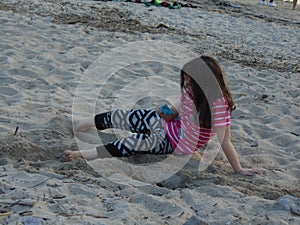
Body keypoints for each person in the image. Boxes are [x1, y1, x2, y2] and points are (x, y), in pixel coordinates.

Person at [65, 56, 262, 176]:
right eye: (185, 81)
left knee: (132, 142)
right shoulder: (191, 91)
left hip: (173, 141)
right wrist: (165, 111)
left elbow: (225, 141)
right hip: (165, 124)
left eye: (190, 82)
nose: (187, 85)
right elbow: (174, 111)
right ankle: (83, 124)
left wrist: (238, 169)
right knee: (123, 116)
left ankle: (81, 154)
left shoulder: (218, 105)